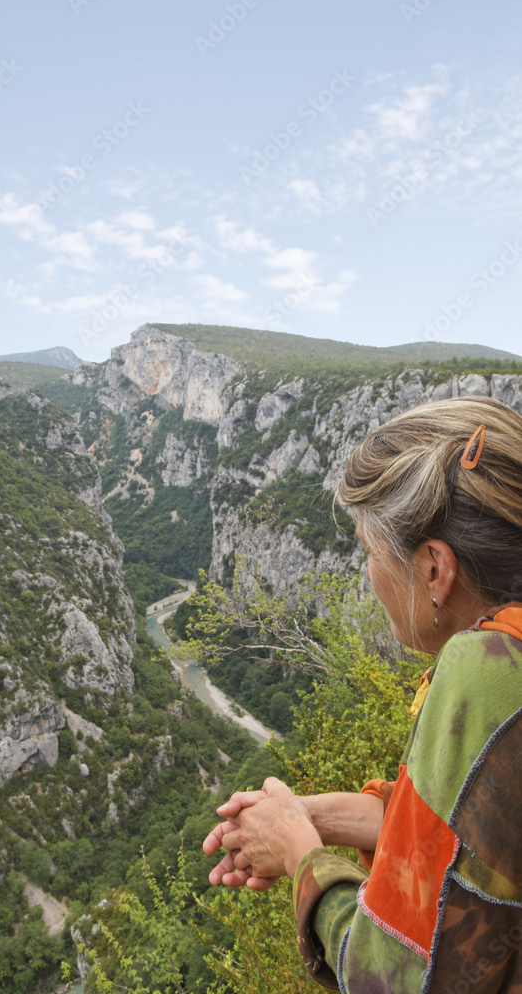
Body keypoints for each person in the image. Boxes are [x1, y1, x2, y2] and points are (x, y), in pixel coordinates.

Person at [203, 395, 522, 992]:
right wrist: (302, 816)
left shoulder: (491, 673)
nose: (367, 574)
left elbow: (397, 975)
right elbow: (453, 835)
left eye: (369, 551)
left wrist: (300, 856)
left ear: (434, 568)